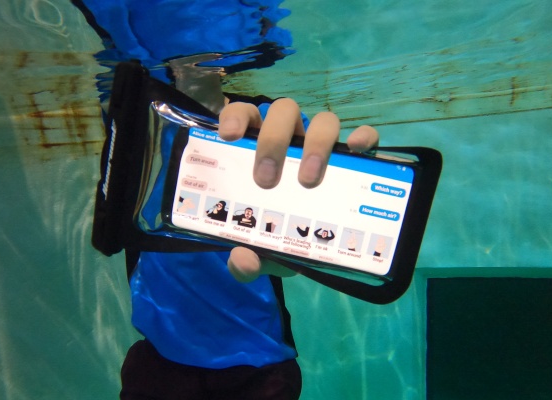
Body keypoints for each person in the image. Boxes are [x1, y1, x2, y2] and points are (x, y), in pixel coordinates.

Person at [120, 95, 380, 400]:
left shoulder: (263, 118)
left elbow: (303, 153)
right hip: (157, 358)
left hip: (256, 368)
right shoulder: (136, 108)